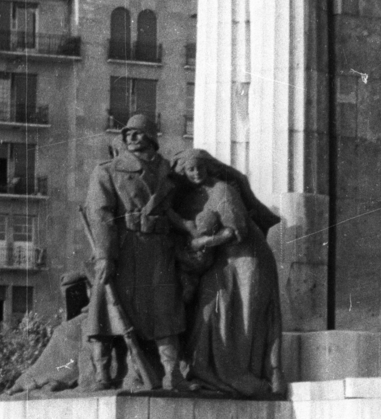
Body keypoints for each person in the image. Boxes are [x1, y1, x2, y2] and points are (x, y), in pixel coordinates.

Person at [169, 148, 284, 398]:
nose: (196, 173)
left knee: (243, 314)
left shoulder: (223, 190)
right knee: (210, 311)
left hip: (247, 257)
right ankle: (209, 371)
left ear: (208, 168)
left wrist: (201, 244)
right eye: (190, 169)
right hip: (222, 260)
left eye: (200, 168)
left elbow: (234, 230)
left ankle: (245, 373)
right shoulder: (194, 197)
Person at [84, 113, 186, 392]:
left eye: (138, 132)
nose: (130, 137)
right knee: (111, 312)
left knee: (166, 313)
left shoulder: (170, 172)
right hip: (126, 251)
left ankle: (171, 372)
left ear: (152, 136)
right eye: (127, 133)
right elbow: (100, 215)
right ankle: (107, 373)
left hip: (160, 251)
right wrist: (104, 255)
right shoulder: (108, 171)